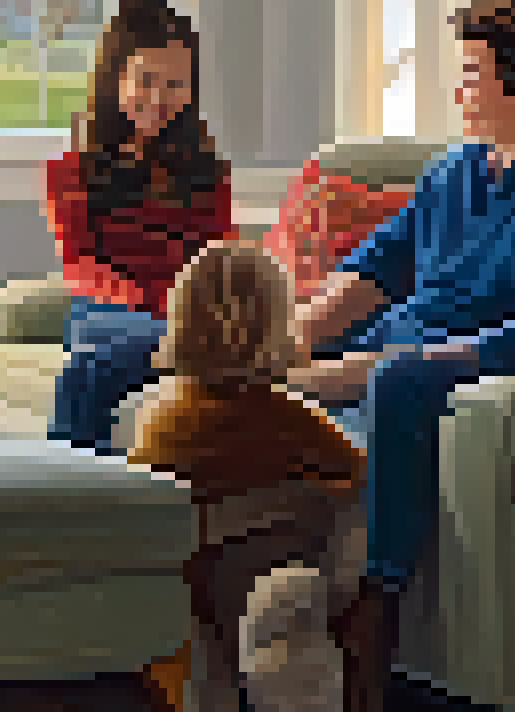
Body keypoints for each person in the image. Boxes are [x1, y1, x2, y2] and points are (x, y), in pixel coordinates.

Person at [286, 0, 515, 698]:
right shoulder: (453, 173)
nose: (458, 92)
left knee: (398, 383)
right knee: (144, 362)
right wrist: (286, 343)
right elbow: (376, 269)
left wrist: (361, 370)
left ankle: (376, 605)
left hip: (437, 374)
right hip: (382, 348)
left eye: (473, 75)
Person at [130, 239, 364, 712]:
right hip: (271, 561)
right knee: (350, 515)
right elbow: (356, 475)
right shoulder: (292, 419)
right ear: (279, 332)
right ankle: (294, 610)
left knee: (205, 670)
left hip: (190, 573)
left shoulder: (160, 419)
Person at [42, 0, 235, 453]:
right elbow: (80, 265)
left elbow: (217, 259)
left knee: (95, 368)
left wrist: (193, 313)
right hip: (107, 309)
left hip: (187, 315)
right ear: (114, 81)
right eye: (145, 81)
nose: (159, 98)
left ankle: (72, 491)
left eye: (174, 84)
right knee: (99, 359)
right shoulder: (73, 170)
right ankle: (64, 490)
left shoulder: (209, 172)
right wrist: (145, 302)